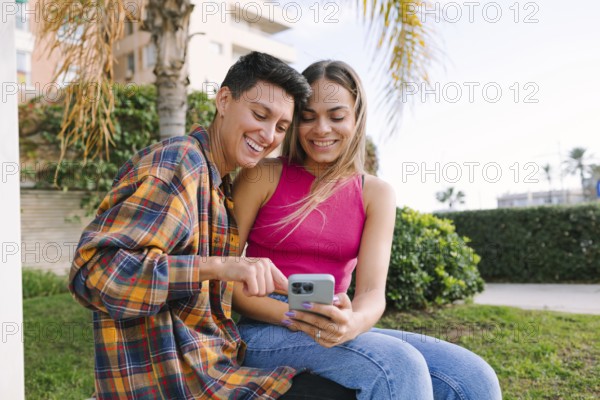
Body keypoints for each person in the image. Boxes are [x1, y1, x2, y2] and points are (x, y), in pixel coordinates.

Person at [68, 51, 354, 399]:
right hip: (174, 384)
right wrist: (219, 266)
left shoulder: (219, 187)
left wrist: (307, 301)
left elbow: (220, 292)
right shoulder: (180, 163)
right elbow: (96, 274)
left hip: (215, 369)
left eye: (281, 127)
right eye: (259, 115)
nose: (268, 135)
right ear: (223, 100)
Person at [232, 60, 503, 400]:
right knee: (400, 365)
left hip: (333, 321)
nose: (321, 129)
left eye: (336, 116)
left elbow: (373, 293)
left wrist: (353, 324)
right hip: (264, 328)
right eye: (308, 116)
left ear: (356, 118)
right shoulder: (263, 176)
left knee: (474, 377)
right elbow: (225, 280)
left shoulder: (376, 193)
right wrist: (298, 317)